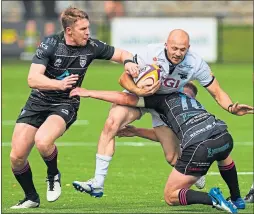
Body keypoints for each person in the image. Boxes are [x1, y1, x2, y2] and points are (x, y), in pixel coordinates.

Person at [71, 29, 253, 202]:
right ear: (166, 45)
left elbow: (217, 91)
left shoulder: (196, 63)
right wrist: (138, 89)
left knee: (172, 157)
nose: (177, 53)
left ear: (188, 49)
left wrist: (230, 107)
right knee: (113, 123)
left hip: (166, 103)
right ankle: (98, 182)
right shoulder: (150, 53)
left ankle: (194, 172)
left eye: (182, 49)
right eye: (174, 48)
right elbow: (123, 79)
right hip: (138, 96)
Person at [10, 6, 139, 209]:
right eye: (83, 29)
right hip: (38, 101)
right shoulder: (50, 44)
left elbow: (122, 53)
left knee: (43, 141)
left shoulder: (91, 46)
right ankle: (31, 197)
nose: (88, 33)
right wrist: (58, 84)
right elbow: (32, 78)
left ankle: (53, 175)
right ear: (69, 31)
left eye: (88, 28)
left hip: (65, 103)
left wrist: (129, 61)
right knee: (16, 157)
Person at [69, 84, 253, 213]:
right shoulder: (195, 103)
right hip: (224, 136)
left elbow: (122, 97)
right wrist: (137, 131)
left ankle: (213, 199)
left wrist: (90, 92)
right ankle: (237, 198)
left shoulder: (161, 99)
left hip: (199, 147)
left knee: (171, 195)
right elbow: (164, 135)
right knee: (224, 155)